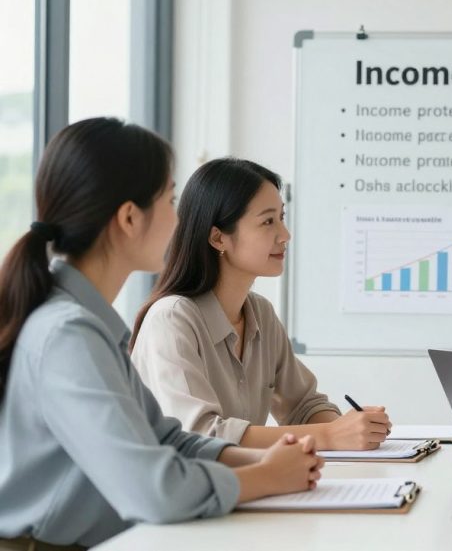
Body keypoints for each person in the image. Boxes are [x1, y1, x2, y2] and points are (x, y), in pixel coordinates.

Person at [0, 118, 323, 550]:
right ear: (130, 218)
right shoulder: (68, 335)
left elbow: (166, 439)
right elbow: (154, 491)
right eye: (170, 199)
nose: (179, 218)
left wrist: (266, 460)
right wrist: (266, 476)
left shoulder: (88, 326)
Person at [130, 158, 390, 450]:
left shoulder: (260, 313)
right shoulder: (172, 320)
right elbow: (201, 436)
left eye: (282, 217)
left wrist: (354, 430)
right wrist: (330, 435)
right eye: (268, 221)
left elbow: (303, 405)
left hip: (243, 478)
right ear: (218, 238)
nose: (285, 235)